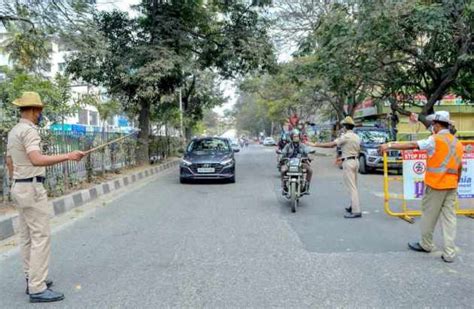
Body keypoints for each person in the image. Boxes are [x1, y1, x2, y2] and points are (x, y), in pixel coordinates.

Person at [6, 92, 85, 303]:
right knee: (41, 237)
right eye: (39, 110)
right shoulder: (30, 131)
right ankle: (37, 288)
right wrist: (68, 155)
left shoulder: (14, 131)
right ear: (32, 110)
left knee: (27, 237)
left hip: (18, 187)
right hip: (31, 189)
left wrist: (15, 182)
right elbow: (36, 159)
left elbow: (9, 162)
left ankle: (31, 279)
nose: (40, 114)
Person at [379, 111, 463, 263]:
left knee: (428, 217)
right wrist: (456, 183)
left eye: (433, 125)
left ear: (437, 125)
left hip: (436, 186)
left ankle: (426, 244)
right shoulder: (457, 142)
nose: (432, 127)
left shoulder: (435, 140)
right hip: (452, 186)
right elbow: (460, 167)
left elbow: (412, 145)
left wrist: (389, 145)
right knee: (450, 219)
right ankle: (450, 253)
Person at [305, 116, 362, 219]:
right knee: (354, 185)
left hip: (348, 162)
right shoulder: (357, 137)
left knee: (351, 187)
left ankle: (356, 211)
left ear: (345, 127)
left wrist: (315, 144)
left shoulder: (345, 137)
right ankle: (353, 205)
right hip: (356, 161)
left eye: (343, 126)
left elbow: (331, 145)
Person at [280, 129, 313, 193]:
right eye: (294, 136)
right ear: (291, 137)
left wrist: (309, 154)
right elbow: (283, 152)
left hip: (301, 163)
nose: (296, 138)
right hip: (289, 163)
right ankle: (283, 186)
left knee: (310, 170)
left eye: (297, 136)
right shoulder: (288, 146)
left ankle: (306, 186)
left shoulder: (302, 145)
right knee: (282, 170)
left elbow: (307, 150)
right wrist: (281, 157)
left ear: (299, 137)